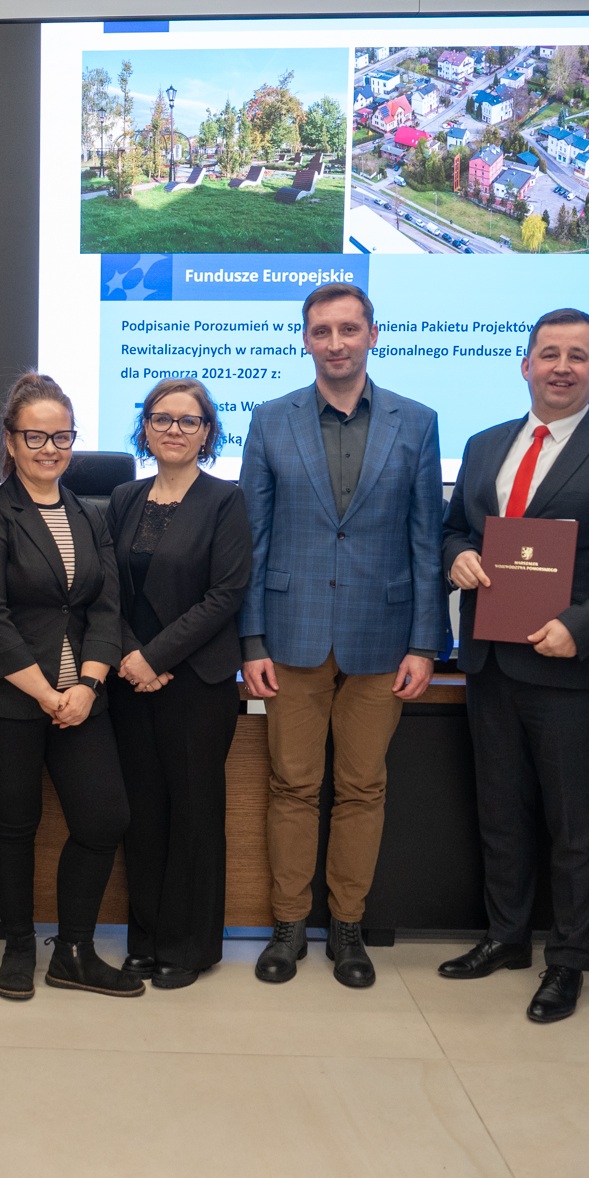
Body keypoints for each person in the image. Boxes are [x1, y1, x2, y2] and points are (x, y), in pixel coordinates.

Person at [437, 309, 589, 1023]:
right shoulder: (484, 445)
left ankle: (566, 961)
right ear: (525, 363)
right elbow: (453, 530)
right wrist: (458, 558)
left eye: (578, 355)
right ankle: (507, 937)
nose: (562, 366)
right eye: (549, 353)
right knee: (500, 811)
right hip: (490, 661)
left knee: (574, 825)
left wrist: (581, 624)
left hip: (569, 668)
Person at [239, 282, 442, 989]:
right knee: (292, 785)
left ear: (372, 335)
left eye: (348, 329)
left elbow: (426, 541)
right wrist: (251, 641)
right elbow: (254, 540)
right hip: (290, 637)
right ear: (305, 340)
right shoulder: (269, 420)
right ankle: (289, 926)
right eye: (321, 331)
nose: (335, 342)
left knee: (362, 786)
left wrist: (426, 643)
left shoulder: (417, 422)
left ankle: (347, 928)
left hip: (383, 640)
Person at [0, 373, 141, 1002]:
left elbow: (106, 609)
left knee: (103, 817)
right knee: (15, 823)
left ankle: (74, 951)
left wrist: (87, 685)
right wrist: (45, 694)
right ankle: (16, 947)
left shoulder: (90, 517)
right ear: (10, 441)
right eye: (35, 436)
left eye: (61, 436)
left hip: (81, 697)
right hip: (8, 699)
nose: (49, 448)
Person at [106, 378, 250, 989]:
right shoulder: (123, 497)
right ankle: (144, 939)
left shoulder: (227, 501)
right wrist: (131, 657)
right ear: (145, 428)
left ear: (208, 434)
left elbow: (226, 594)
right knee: (142, 815)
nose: (174, 430)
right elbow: (103, 585)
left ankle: (188, 947)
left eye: (189, 422)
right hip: (127, 680)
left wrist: (159, 656)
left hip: (196, 681)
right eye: (162, 419)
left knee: (193, 813)